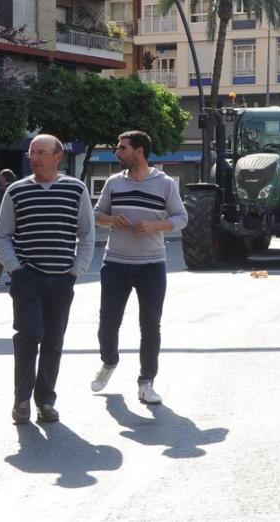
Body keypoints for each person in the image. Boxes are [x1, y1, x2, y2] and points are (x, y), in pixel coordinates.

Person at [0, 136, 95, 424]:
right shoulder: (16, 191)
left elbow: (87, 234)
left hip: (62, 279)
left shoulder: (75, 189)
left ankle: (45, 401)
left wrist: (77, 269)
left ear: (57, 157)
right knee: (28, 336)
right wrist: (15, 268)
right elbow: (2, 234)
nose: (34, 157)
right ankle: (22, 400)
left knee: (53, 342)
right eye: (32, 153)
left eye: (41, 152)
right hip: (28, 278)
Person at [90, 131, 187, 405]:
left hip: (152, 265)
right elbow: (96, 216)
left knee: (150, 325)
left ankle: (146, 383)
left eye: (122, 148)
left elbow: (182, 218)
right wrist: (110, 220)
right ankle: (109, 362)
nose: (116, 153)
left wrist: (156, 225)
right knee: (108, 324)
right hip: (115, 263)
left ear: (139, 151)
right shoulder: (113, 182)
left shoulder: (165, 184)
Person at [0, 169, 18, 284]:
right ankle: (14, 276)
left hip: (2, 224)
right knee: (11, 250)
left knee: (0, 251)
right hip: (16, 225)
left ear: (4, 177)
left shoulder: (1, 191)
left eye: (0, 176)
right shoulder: (17, 189)